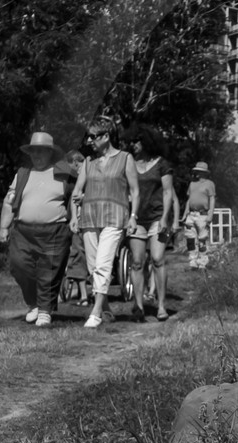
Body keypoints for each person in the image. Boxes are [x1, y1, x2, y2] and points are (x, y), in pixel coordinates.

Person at [0, 131, 75, 328]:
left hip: (54, 231)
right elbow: (9, 202)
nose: (37, 155)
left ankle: (44, 311)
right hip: (23, 230)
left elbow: (75, 200)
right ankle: (33, 303)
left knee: (49, 272)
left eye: (41, 151)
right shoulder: (23, 173)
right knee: (19, 266)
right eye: (33, 152)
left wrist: (75, 220)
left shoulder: (64, 174)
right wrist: (4, 227)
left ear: (50, 153)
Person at [69, 116, 138, 328]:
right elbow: (76, 192)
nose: (89, 141)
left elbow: (135, 191)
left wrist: (133, 217)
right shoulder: (88, 162)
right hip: (89, 217)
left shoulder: (125, 159)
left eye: (93, 136)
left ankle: (96, 311)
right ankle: (106, 307)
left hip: (115, 217)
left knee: (103, 263)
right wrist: (74, 215)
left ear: (106, 136)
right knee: (92, 267)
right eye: (88, 137)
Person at [126, 123, 178, 321]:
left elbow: (167, 192)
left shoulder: (162, 164)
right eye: (131, 142)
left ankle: (161, 305)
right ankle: (138, 306)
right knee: (137, 261)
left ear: (146, 141)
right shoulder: (129, 164)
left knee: (157, 258)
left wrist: (166, 217)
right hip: (137, 219)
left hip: (157, 217)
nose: (133, 145)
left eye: (136, 141)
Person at [183, 158, 217, 270]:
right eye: (196, 171)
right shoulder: (192, 184)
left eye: (199, 171)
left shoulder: (209, 184)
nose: (196, 173)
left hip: (203, 215)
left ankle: (203, 262)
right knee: (190, 238)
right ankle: (193, 261)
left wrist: (210, 214)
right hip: (191, 215)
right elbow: (189, 199)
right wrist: (185, 212)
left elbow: (212, 199)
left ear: (204, 173)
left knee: (202, 239)